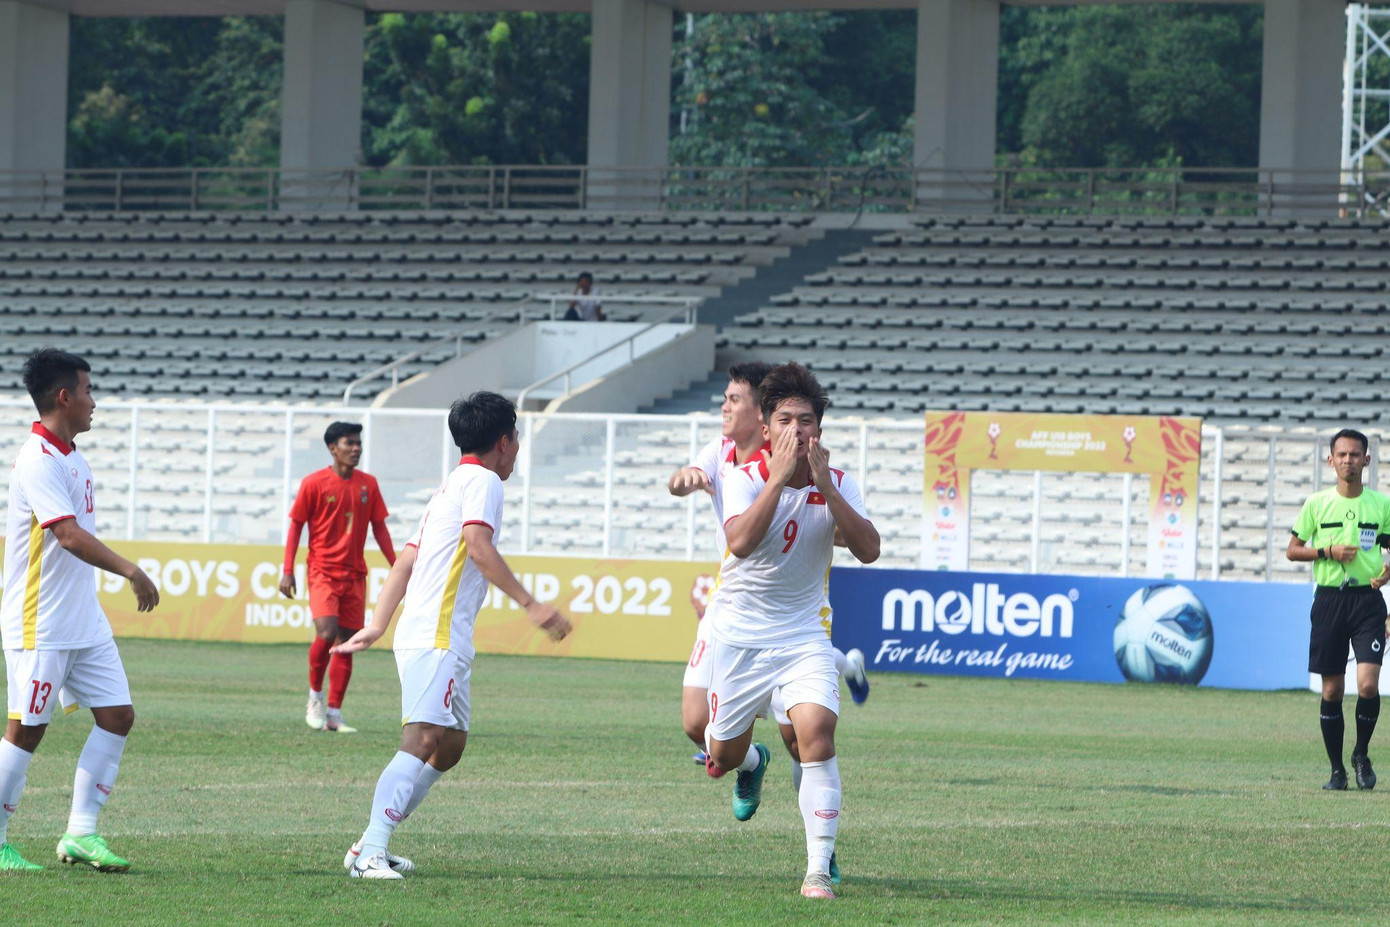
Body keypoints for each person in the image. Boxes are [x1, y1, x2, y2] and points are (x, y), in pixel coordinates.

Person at [333, 391, 572, 879]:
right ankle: (371, 851)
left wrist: (378, 624)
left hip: (442, 633)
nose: (518, 448)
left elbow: (406, 560)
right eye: (517, 438)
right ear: (504, 441)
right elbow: (478, 546)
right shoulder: (484, 481)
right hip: (436, 633)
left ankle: (368, 843)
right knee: (423, 738)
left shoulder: (451, 485)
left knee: (450, 745)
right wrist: (531, 605)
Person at [701, 362, 879, 900]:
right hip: (740, 637)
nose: (796, 431)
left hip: (803, 635)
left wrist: (826, 487)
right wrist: (779, 479)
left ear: (819, 430)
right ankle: (751, 764)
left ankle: (818, 870)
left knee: (816, 734)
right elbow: (739, 543)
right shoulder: (745, 477)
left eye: (806, 421)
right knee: (721, 753)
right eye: (784, 420)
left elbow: (869, 549)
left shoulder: (839, 482)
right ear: (766, 427)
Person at [668, 364, 869, 781]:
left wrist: (824, 501)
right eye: (725, 398)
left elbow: (860, 544)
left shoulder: (815, 469)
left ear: (757, 412)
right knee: (698, 726)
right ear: (768, 422)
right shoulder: (722, 454)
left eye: (734, 399)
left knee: (803, 737)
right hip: (734, 607)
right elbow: (689, 487)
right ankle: (751, 762)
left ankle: (845, 671)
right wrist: (684, 479)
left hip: (796, 616)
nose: (725, 407)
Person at [0, 349, 160, 872]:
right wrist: (131, 570)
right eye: (88, 391)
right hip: (40, 622)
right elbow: (67, 536)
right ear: (64, 396)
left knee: (117, 716)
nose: (94, 402)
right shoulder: (37, 459)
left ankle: (81, 834)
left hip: (83, 620)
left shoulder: (72, 455)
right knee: (27, 729)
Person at [1288, 428, 1390, 791]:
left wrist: (1388, 571)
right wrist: (1327, 552)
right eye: (1342, 454)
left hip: (1367, 602)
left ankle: (1361, 754)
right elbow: (1292, 550)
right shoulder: (1316, 504)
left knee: (1368, 685)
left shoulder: (1381, 504)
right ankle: (1337, 771)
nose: (1349, 460)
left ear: (1367, 459)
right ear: (1331, 460)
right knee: (1331, 690)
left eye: (1355, 454)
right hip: (1329, 601)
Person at [281, 422, 396, 734]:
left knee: (348, 641)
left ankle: (334, 713)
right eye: (349, 443)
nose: (356, 448)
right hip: (323, 572)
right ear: (333, 448)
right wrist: (288, 570)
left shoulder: (368, 485)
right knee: (327, 631)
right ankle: (315, 697)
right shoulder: (314, 483)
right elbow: (296, 525)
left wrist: (397, 566)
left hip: (355, 575)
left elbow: (380, 528)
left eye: (358, 443)